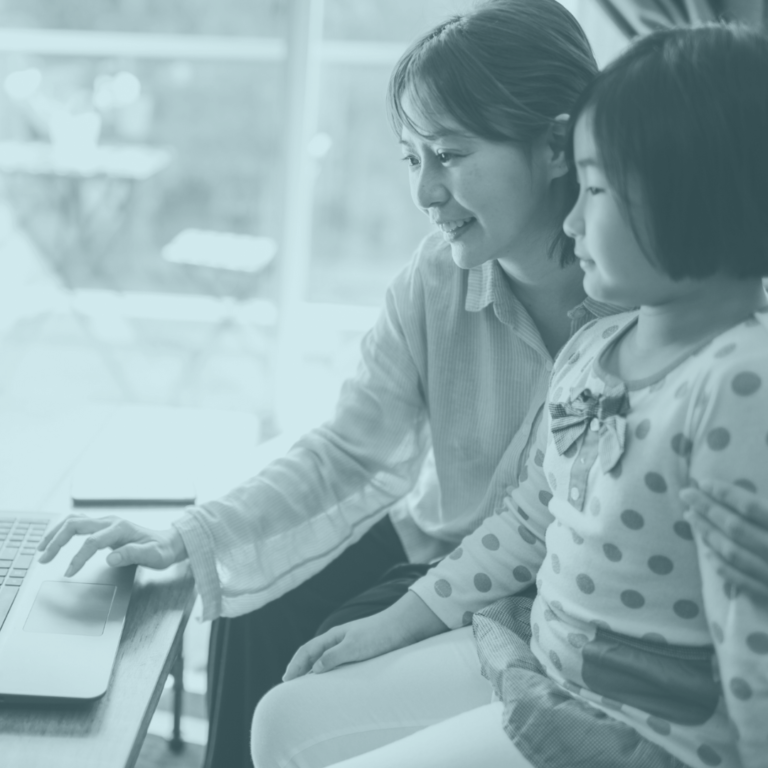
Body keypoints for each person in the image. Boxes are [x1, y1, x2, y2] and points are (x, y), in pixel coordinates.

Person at [36, 3, 768, 765]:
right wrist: (189, 533)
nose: (424, 192)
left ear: (556, 146)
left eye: (448, 154)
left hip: (573, 599)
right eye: (411, 158)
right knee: (253, 612)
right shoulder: (436, 280)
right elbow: (349, 450)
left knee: (317, 670)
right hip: (445, 542)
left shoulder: (682, 311)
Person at [259, 22, 768, 768]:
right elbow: (527, 520)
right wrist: (395, 624)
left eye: (593, 190)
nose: (570, 218)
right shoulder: (597, 350)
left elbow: (748, 620)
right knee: (283, 722)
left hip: (645, 727)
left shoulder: (736, 381)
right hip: (542, 660)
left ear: (688, 194)